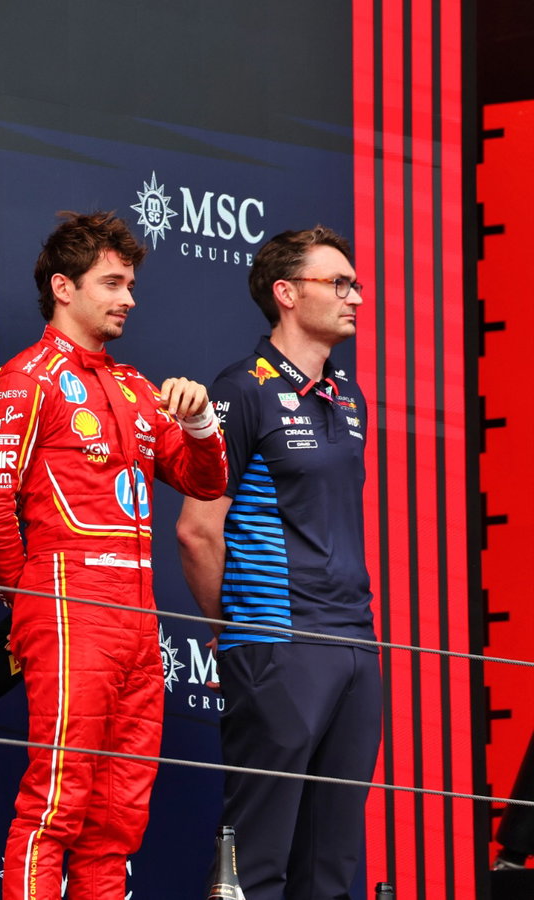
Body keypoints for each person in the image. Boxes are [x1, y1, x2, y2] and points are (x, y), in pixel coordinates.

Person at [0, 211, 227, 900]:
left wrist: (199, 423)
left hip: (138, 620)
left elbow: (205, 481)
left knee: (116, 825)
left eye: (131, 284)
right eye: (112, 282)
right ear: (63, 288)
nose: (128, 297)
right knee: (55, 806)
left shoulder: (138, 388)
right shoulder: (23, 381)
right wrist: (32, 607)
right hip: (69, 607)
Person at [176, 226, 378, 900]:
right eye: (339, 283)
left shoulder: (350, 399)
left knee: (330, 867)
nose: (356, 296)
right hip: (276, 643)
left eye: (355, 283)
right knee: (257, 863)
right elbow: (198, 530)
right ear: (286, 294)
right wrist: (235, 631)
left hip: (355, 642)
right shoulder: (242, 388)